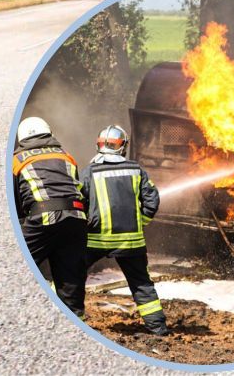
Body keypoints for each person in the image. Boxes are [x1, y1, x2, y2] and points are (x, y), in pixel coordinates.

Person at [80, 125, 169, 336]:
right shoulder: (136, 170)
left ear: (99, 145)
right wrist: (140, 222)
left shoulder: (89, 172)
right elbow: (152, 200)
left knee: (71, 275)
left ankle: (69, 318)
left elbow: (78, 203)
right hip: (131, 242)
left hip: (96, 240)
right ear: (123, 147)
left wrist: (85, 224)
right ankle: (158, 328)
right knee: (141, 283)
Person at [12, 117, 88, 319]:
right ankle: (74, 320)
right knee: (70, 279)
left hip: (43, 216)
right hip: (77, 218)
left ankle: (20, 315)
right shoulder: (66, 156)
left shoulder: (17, 160)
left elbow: (15, 203)